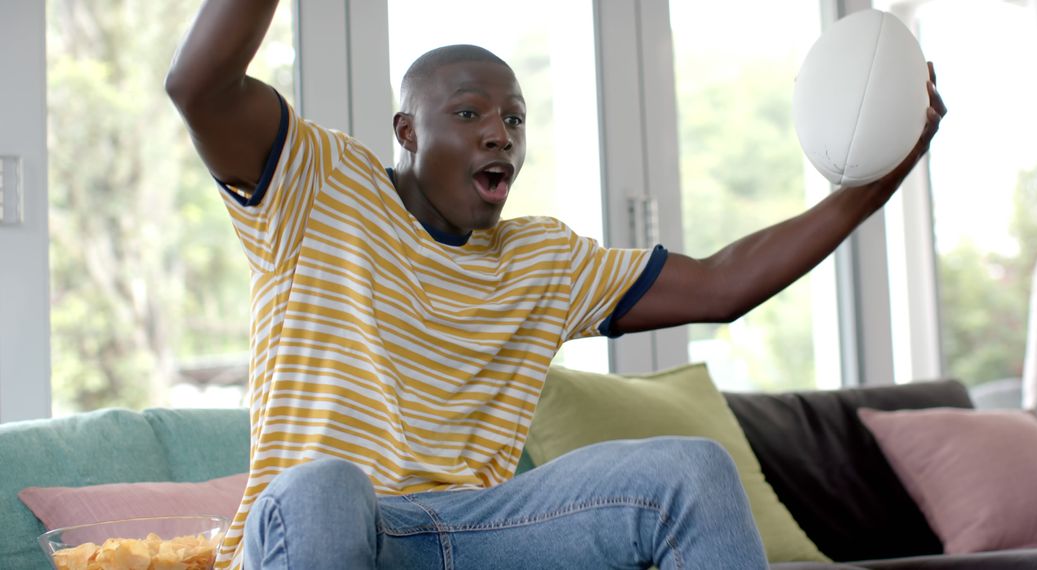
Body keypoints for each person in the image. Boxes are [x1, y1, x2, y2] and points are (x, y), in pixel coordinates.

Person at [165, 3, 946, 569]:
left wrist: (880, 177)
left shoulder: (540, 261)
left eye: (514, 117)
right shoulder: (320, 187)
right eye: (468, 112)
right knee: (326, 486)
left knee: (690, 471)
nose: (499, 131)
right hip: (311, 529)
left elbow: (723, 286)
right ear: (406, 132)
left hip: (461, 535)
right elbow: (200, 86)